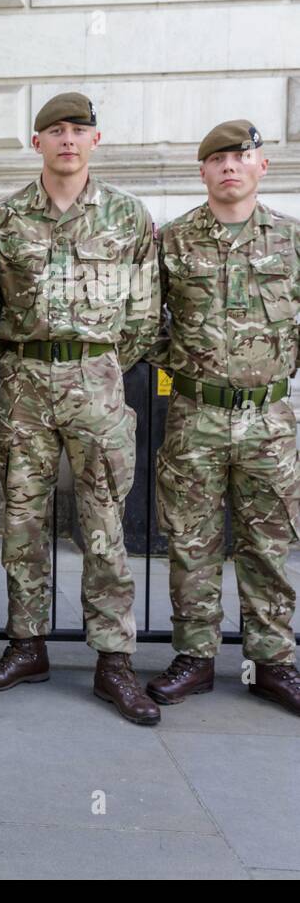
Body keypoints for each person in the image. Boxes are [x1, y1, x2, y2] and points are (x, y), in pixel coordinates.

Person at [0, 92, 161, 725]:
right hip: (26, 382)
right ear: (37, 143)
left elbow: (144, 313)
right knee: (22, 521)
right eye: (55, 130)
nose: (67, 139)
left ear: (96, 140)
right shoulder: (4, 219)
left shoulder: (127, 215)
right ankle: (26, 643)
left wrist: (101, 360)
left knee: (104, 525)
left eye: (78, 130)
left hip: (96, 382)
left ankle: (114, 660)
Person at [146, 119, 300, 716]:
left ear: (263, 166)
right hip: (195, 415)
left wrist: (272, 371)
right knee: (192, 542)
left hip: (269, 419)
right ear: (202, 170)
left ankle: (272, 663)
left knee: (268, 543)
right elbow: (144, 318)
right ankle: (195, 656)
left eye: (241, 156)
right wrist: (185, 366)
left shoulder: (290, 242)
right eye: (217, 158)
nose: (230, 165)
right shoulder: (174, 241)